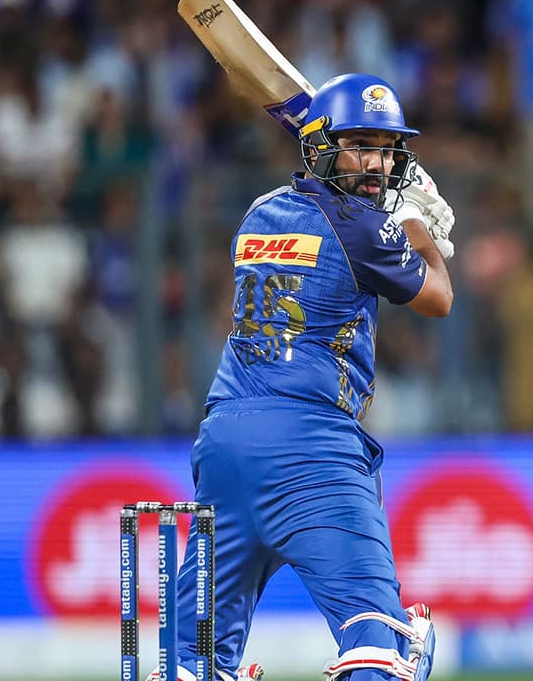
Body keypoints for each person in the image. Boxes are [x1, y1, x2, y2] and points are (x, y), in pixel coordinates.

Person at [151, 73, 455, 681]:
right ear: (321, 146)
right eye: (361, 146)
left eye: (387, 148)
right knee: (384, 647)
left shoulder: (259, 213)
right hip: (311, 450)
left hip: (225, 444)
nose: (378, 163)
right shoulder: (365, 230)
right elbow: (438, 298)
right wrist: (420, 227)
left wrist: (386, 216)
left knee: (190, 662)